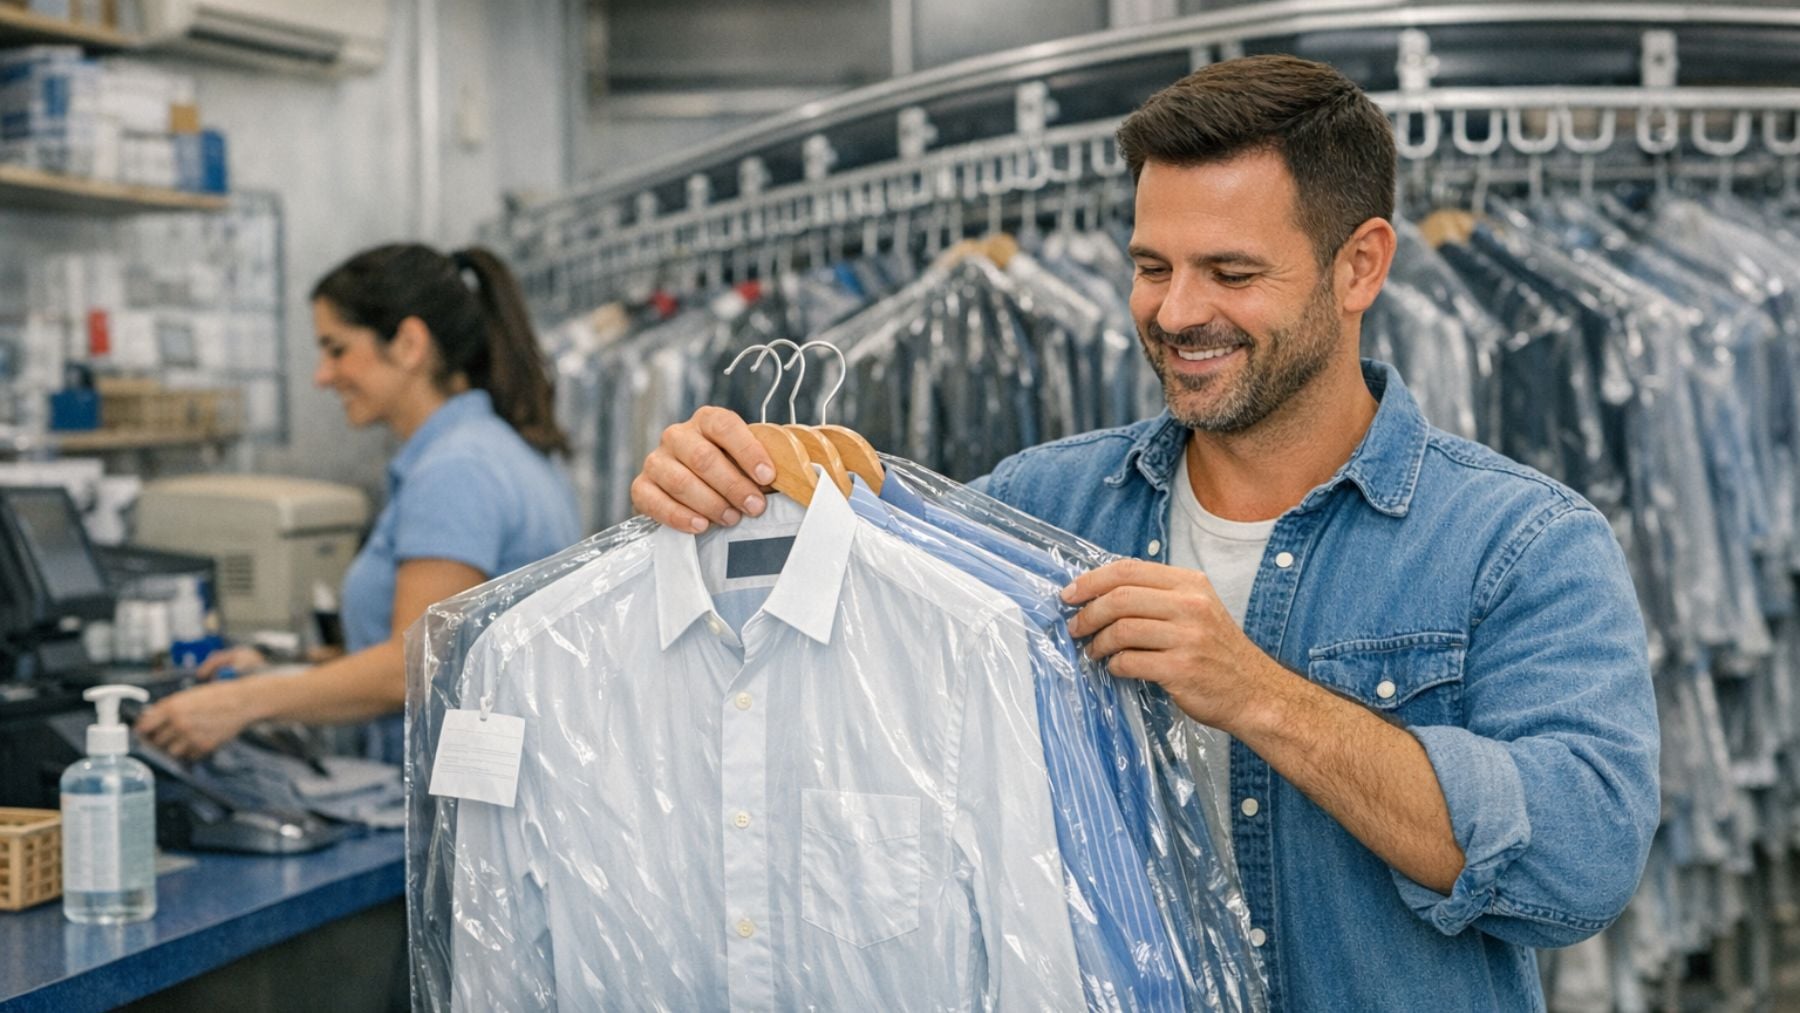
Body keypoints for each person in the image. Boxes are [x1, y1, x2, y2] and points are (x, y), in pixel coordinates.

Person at [628, 55, 1659, 1010]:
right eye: (1151, 265)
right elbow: (828, 651)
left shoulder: (1520, 543)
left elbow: (1578, 867)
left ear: (1361, 267)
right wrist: (737, 481)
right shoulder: (1038, 506)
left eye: (1230, 271)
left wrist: (1256, 692)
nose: (1175, 310)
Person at [139, 244, 583, 764]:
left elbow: (412, 666)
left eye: (336, 349)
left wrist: (238, 704)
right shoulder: (496, 448)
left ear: (409, 344)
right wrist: (288, 668)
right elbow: (458, 648)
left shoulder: (455, 470)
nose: (322, 376)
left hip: (462, 810)